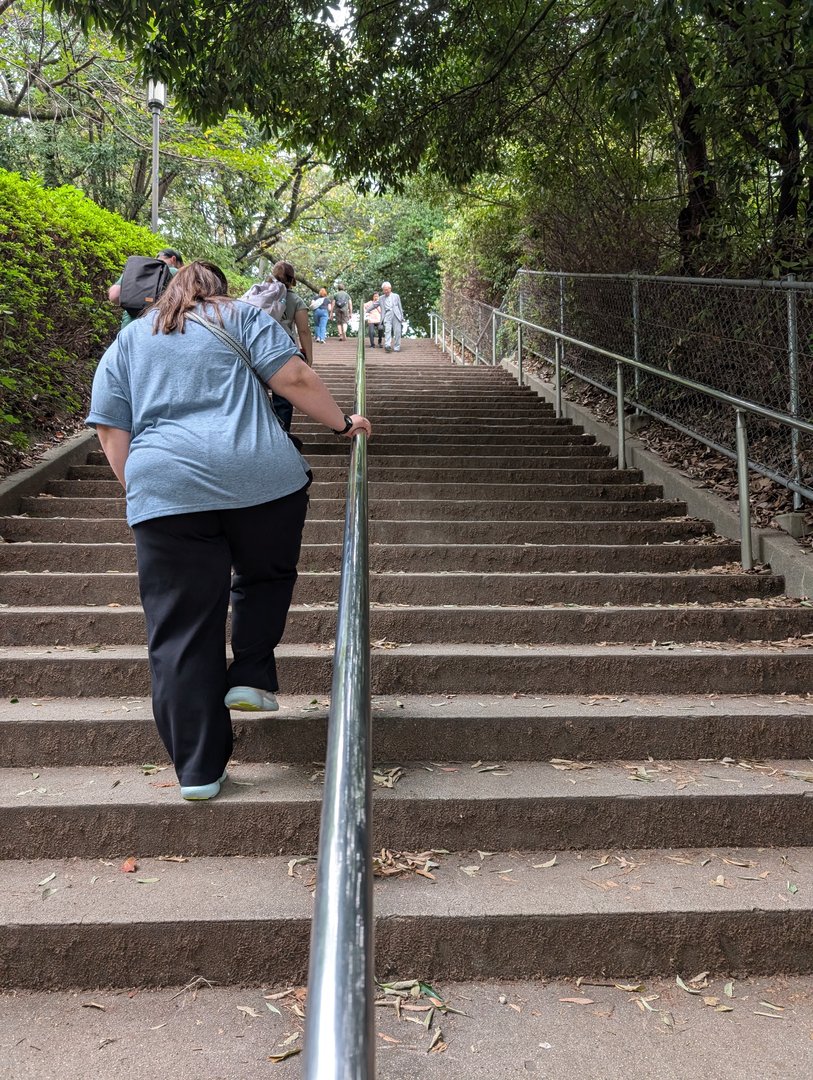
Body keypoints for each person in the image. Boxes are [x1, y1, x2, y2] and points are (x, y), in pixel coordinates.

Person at [86, 260, 371, 802]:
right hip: (260, 477)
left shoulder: (128, 341)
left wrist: (144, 486)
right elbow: (294, 377)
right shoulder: (242, 316)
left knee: (179, 631)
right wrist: (342, 423)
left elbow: (109, 429)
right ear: (218, 290)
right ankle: (253, 673)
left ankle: (197, 771)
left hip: (164, 488)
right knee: (265, 575)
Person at [267, 260, 314, 431]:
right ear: (292, 279)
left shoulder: (260, 294)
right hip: (283, 348)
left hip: (258, 345)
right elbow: (303, 330)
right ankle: (282, 433)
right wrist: (308, 356)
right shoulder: (295, 300)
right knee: (283, 394)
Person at [108, 248, 183, 331]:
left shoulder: (136, 269)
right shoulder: (175, 272)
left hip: (128, 327)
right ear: (173, 259)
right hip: (156, 329)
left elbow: (114, 295)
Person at [379, 281, 404, 352]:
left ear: (390, 289)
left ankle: (397, 346)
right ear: (383, 290)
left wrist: (402, 316)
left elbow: (400, 307)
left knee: (397, 331)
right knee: (387, 330)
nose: (386, 291)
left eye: (387, 289)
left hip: (396, 314)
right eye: (384, 290)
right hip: (387, 314)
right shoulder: (381, 298)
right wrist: (366, 309)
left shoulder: (396, 296)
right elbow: (375, 304)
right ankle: (387, 345)